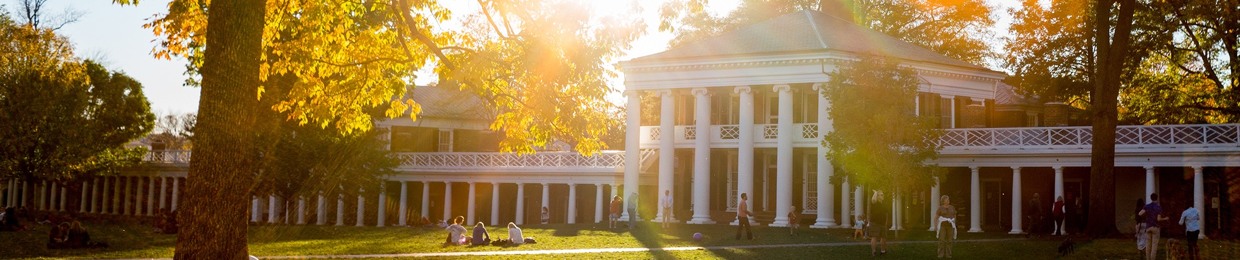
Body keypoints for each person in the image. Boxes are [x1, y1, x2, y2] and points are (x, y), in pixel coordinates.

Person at [1138, 193, 1169, 260]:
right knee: (1154, 245)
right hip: (1155, 227)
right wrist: (1165, 218)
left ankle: (1148, 258)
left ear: (1151, 198)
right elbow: (1158, 219)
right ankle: (1152, 258)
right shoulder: (1158, 207)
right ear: (1157, 198)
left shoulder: (1147, 206)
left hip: (1148, 226)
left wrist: (1146, 216)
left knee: (1148, 244)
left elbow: (1140, 213)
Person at [870, 191, 890, 256]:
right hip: (874, 223)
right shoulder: (874, 203)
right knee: (874, 237)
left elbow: (886, 214)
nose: (882, 196)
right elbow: (873, 199)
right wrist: (875, 193)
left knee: (883, 238)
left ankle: (883, 251)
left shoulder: (884, 204)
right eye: (880, 195)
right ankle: (874, 251)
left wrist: (886, 222)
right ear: (877, 196)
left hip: (883, 224)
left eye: (882, 195)